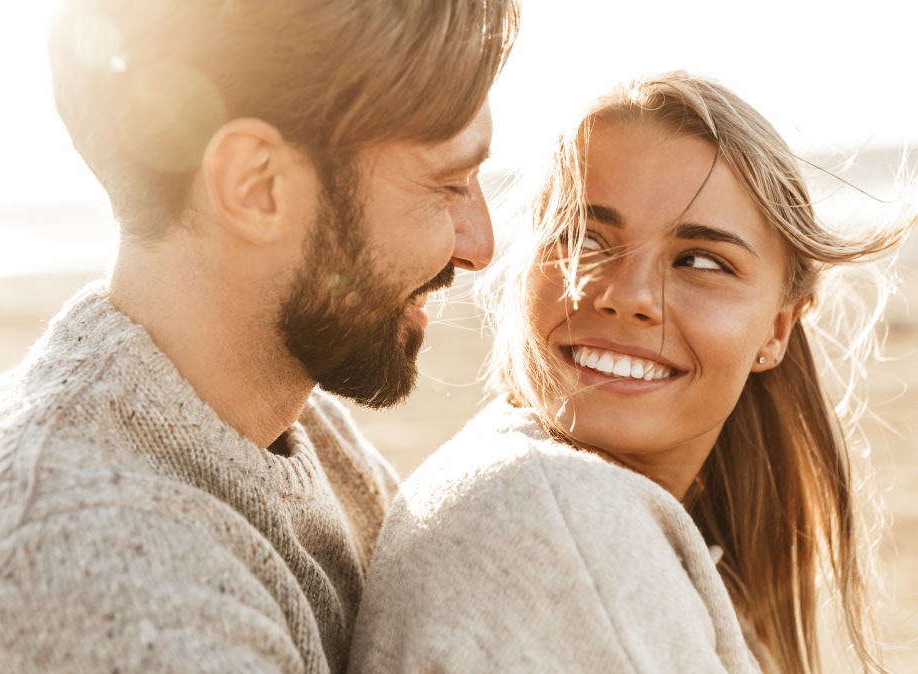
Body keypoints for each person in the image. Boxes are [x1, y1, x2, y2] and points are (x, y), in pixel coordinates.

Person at [0, 0, 520, 671]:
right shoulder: (85, 581)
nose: (480, 245)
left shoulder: (296, 427)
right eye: (448, 184)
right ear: (256, 186)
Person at [349, 72, 914, 673]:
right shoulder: (562, 520)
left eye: (699, 261)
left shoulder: (571, 504)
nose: (629, 296)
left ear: (777, 329)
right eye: (585, 238)